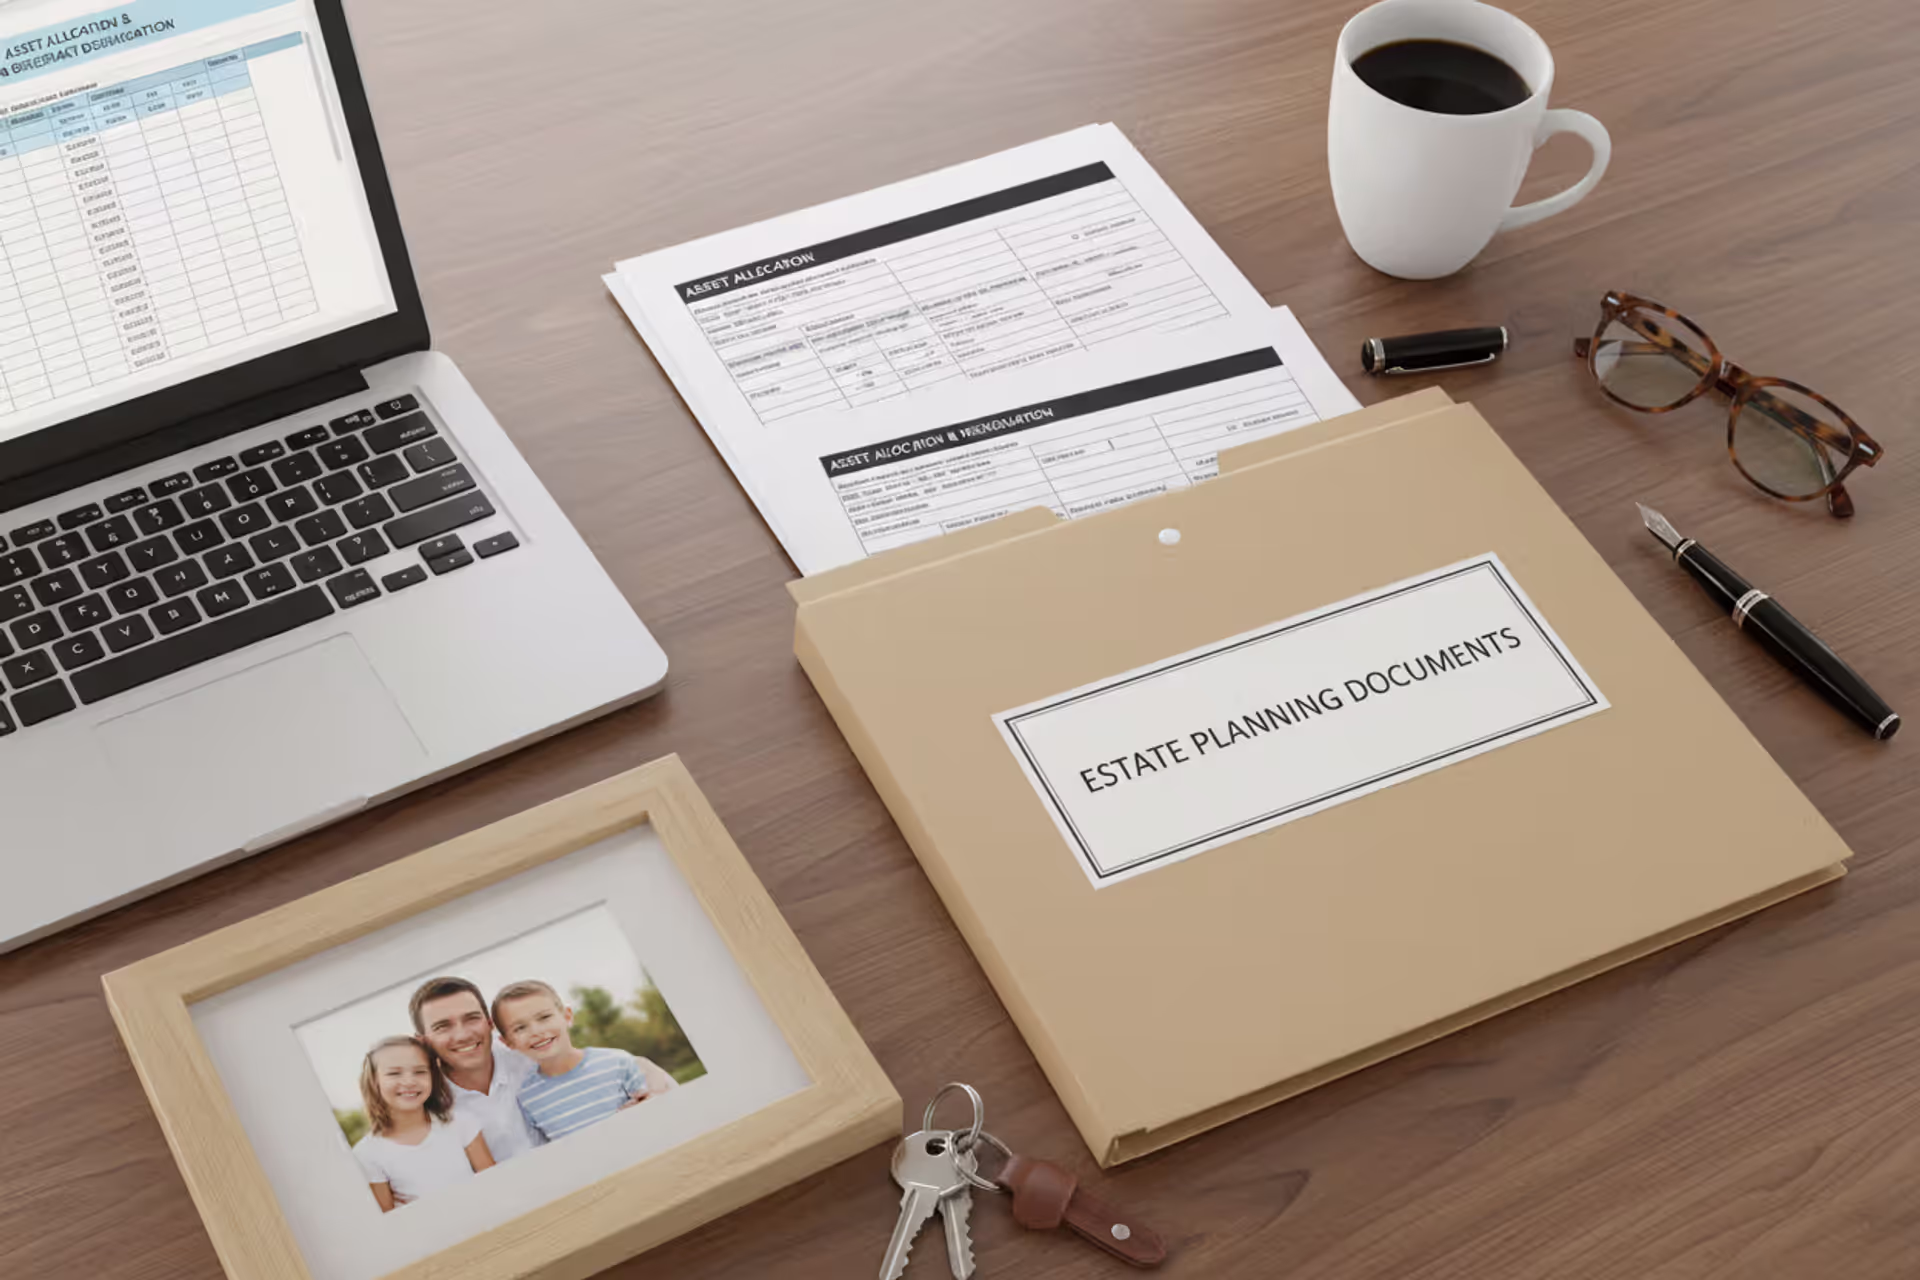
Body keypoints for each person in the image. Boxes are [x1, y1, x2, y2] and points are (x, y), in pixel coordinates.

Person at [490, 980, 678, 1142]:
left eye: (544, 1017)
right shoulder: (527, 1098)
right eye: (520, 1028)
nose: (536, 1031)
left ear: (567, 1016)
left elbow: (661, 1115)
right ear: (507, 1042)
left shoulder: (618, 1063)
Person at [409, 976, 545, 1163]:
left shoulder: (531, 1058)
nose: (462, 1035)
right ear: (423, 1042)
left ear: (489, 1023)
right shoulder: (425, 1108)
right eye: (442, 1027)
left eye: (471, 1018)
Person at [352, 1036, 494, 1211]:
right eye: (394, 1073)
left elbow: (494, 1182)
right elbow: (387, 1217)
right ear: (374, 1080)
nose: (409, 1082)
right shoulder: (367, 1153)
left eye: (420, 1072)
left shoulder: (460, 1122)